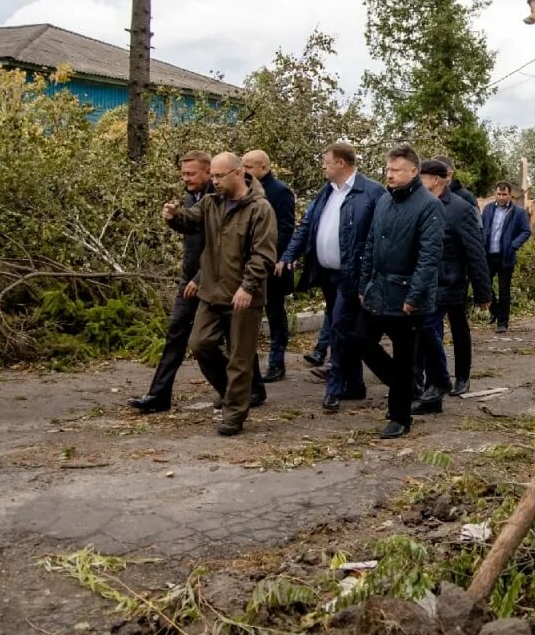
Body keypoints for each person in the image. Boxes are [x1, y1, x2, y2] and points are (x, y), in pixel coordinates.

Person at [163, 152, 277, 435]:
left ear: (238, 173)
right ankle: (232, 392)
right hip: (211, 293)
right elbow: (191, 222)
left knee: (240, 357)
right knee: (200, 344)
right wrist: (174, 216)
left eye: (218, 176)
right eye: (211, 176)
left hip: (243, 297)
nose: (213, 181)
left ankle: (234, 414)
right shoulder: (212, 202)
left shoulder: (260, 209)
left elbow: (263, 255)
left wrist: (247, 287)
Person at [278, 142, 386, 411]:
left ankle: (335, 388)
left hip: (353, 275)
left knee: (339, 328)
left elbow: (382, 235)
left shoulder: (371, 192)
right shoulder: (326, 192)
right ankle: (354, 385)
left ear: (340, 163)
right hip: (327, 275)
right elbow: (306, 226)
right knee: (345, 330)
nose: (323, 165)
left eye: (326, 160)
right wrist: (289, 255)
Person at [359, 146, 443, 438]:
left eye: (396, 170)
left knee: (406, 355)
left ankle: (400, 417)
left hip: (407, 295)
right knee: (361, 341)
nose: (389, 174)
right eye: (388, 169)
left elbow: (429, 257)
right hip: (378, 289)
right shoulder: (384, 201)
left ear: (413, 172)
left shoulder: (429, 205)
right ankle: (404, 386)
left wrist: (414, 297)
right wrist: (363, 285)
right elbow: (370, 244)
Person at [127, 151, 215, 414]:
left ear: (208, 172)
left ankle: (250, 388)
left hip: (214, 280)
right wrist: (173, 218)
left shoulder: (218, 199)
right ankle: (158, 396)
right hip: (188, 279)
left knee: (226, 340)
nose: (185, 179)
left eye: (191, 174)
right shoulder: (190, 197)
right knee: (175, 333)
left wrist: (201, 277)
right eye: (183, 174)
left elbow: (222, 245)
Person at [412, 158, 493, 413]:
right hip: (426, 283)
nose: (417, 181)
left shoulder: (460, 208)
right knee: (427, 333)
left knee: (457, 330)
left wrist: (483, 291)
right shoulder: (418, 204)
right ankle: (431, 385)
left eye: (421, 176)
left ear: (436, 179)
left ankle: (459, 377)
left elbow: (475, 251)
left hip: (451, 281)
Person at [242, 150, 296, 389]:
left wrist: (277, 258)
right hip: (251, 263)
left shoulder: (279, 192)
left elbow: (285, 228)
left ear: (263, 168)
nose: (244, 171)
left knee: (275, 312)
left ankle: (277, 361)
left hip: (273, 264)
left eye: (248, 166)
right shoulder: (245, 191)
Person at [481, 180, 531, 333]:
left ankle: (503, 322)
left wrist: (514, 245)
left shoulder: (518, 212)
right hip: (488, 254)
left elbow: (525, 231)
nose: (501, 197)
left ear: (510, 195)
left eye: (504, 194)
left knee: (504, 290)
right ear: (494, 194)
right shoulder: (488, 209)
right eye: (498, 194)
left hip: (506, 256)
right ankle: (495, 311)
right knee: (484, 286)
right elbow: (483, 227)